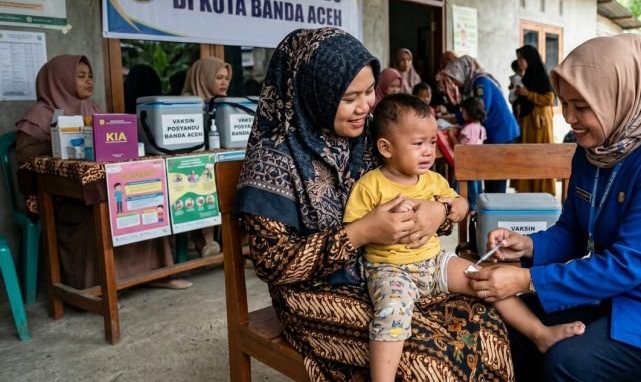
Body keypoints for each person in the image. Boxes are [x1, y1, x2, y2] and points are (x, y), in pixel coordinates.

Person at [234, 27, 513, 381]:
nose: (365, 106)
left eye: (369, 92)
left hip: (393, 271)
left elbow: (422, 194)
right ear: (314, 94)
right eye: (349, 97)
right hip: (314, 292)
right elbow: (274, 263)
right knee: (428, 356)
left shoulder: (370, 139)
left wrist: (440, 212)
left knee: (483, 320)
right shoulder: (273, 159)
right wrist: (361, 232)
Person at [466, 34, 641, 380]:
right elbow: (573, 231)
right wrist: (528, 245)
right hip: (612, 295)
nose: (569, 118)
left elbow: (628, 263)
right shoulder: (593, 151)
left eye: (582, 106)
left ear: (620, 97)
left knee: (565, 364)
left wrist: (526, 279)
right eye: (565, 103)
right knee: (507, 325)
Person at [345, 94, 583, 382]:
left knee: (486, 279)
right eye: (418, 144)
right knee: (392, 313)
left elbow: (460, 205)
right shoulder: (370, 186)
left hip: (434, 262)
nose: (427, 151)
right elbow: (355, 229)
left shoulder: (433, 180)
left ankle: (540, 334)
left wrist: (453, 206)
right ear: (386, 147)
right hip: (390, 269)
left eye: (431, 143)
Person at [16, 55, 189, 290]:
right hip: (64, 199)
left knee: (146, 200)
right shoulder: (40, 116)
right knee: (101, 211)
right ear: (59, 80)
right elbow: (26, 162)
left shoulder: (92, 108)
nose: (89, 81)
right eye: (81, 76)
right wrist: (59, 145)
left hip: (101, 188)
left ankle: (158, 273)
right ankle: (101, 286)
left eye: (90, 75)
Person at [442, 55, 520, 193]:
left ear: (462, 72)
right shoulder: (473, 83)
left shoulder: (481, 82)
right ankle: (490, 205)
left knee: (496, 179)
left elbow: (480, 109)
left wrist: (455, 118)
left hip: (501, 133)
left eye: (454, 78)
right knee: (489, 176)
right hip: (496, 133)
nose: (454, 83)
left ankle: (495, 206)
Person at [182, 57, 231, 257]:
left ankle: (240, 243)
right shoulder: (185, 104)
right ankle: (205, 240)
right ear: (203, 78)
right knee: (198, 176)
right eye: (218, 77)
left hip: (218, 163)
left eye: (226, 78)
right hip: (193, 165)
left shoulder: (224, 105)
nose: (224, 83)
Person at [512, 45, 556, 195]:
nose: (519, 62)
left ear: (530, 59)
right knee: (527, 157)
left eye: (521, 59)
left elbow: (549, 98)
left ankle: (541, 193)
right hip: (527, 123)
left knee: (539, 157)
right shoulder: (526, 76)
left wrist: (528, 94)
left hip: (539, 124)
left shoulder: (542, 77)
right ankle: (527, 191)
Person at [455, 96, 487, 210]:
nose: (462, 114)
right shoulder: (482, 128)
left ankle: (470, 206)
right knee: (477, 184)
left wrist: (451, 136)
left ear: (470, 112)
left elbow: (460, 147)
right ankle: (478, 205)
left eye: (463, 111)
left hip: (467, 162)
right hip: (478, 162)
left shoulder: (467, 129)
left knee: (468, 185)